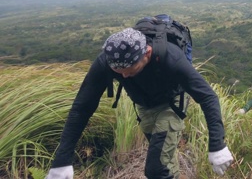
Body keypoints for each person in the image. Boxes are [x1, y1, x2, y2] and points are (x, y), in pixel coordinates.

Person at [45, 27, 234, 179]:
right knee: (161, 154)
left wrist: (217, 145)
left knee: (155, 168)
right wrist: (62, 158)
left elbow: (207, 96)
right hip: (144, 105)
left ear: (147, 53)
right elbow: (82, 107)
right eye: (118, 73)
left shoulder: (171, 58)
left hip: (172, 102)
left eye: (129, 70)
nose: (124, 76)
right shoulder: (107, 61)